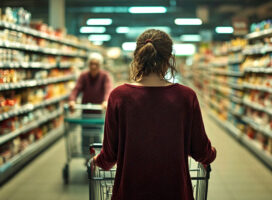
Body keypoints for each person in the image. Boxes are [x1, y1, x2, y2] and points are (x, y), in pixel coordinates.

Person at [93, 29, 216, 200]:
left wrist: (96, 161)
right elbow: (201, 152)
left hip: (130, 192)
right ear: (169, 59)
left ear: (137, 57)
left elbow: (109, 157)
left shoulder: (118, 96)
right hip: (175, 193)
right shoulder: (186, 97)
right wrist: (211, 153)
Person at [69, 52, 113, 157]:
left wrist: (106, 101)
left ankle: (97, 157)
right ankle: (86, 156)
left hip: (98, 112)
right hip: (86, 112)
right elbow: (76, 89)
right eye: (91, 64)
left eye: (96, 64)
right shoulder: (84, 76)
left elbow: (108, 89)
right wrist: (72, 100)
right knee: (85, 135)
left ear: (100, 65)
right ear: (88, 65)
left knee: (97, 135)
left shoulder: (105, 76)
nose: (93, 66)